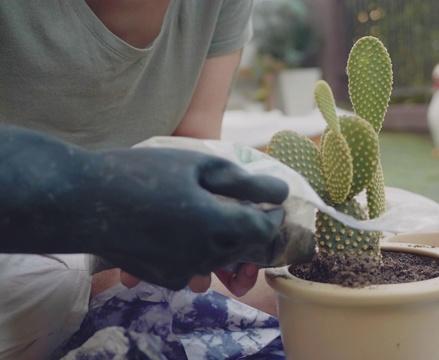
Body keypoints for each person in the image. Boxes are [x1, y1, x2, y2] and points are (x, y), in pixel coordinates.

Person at [0, 0, 292, 358]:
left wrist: (204, 227)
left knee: (293, 297)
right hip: (25, 262)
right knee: (48, 283)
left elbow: (192, 139)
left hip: (115, 264)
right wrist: (93, 198)